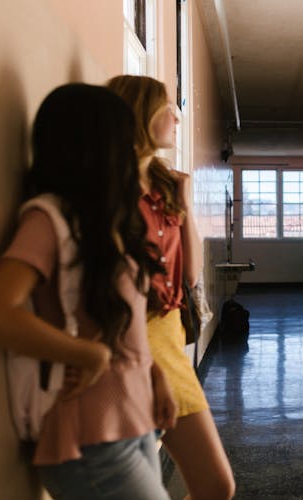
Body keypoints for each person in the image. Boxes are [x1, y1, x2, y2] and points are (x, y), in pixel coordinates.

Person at [0, 83, 177, 499]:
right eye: (121, 139)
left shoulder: (104, 224)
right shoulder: (49, 219)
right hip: (88, 438)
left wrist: (156, 376)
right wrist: (86, 353)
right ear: (95, 146)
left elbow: (124, 320)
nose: (129, 149)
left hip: (133, 418)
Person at [106, 75, 235, 500]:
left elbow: (191, 276)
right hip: (129, 340)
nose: (177, 117)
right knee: (208, 484)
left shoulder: (164, 187)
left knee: (215, 484)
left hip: (171, 334)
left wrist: (183, 201)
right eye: (167, 107)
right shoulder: (109, 190)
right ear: (140, 114)